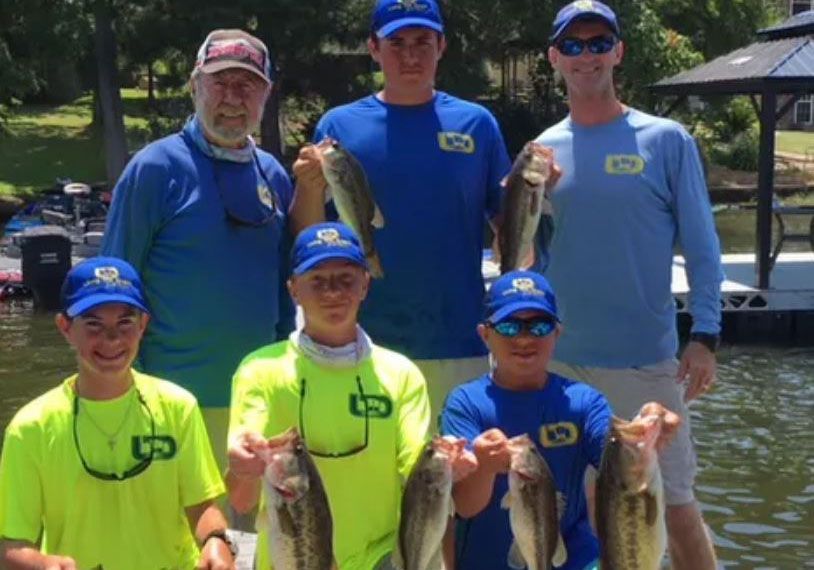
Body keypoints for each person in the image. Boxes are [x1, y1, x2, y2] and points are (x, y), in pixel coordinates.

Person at [535, 2, 722, 568]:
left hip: (646, 362)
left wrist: (705, 335)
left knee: (677, 508)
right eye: (573, 45)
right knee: (579, 512)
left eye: (599, 43)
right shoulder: (541, 151)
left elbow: (702, 244)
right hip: (560, 362)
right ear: (554, 58)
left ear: (618, 52)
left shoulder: (666, 140)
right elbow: (525, 257)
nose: (586, 55)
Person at [290, 0, 512, 415]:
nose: (410, 55)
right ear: (374, 48)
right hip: (358, 341)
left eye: (422, 42)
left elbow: (509, 224)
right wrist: (306, 185)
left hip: (457, 339)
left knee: (457, 456)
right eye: (397, 43)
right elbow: (309, 235)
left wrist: (537, 193)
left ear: (441, 46)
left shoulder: (477, 124)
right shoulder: (338, 126)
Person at [102, 29, 305, 467]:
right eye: (220, 82)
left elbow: (284, 293)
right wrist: (117, 388)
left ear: (266, 94)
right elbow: (113, 288)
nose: (233, 97)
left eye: (247, 84)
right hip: (168, 402)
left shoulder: (274, 174)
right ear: (194, 86)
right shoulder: (154, 168)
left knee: (253, 516)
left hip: (259, 405)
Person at [226, 222, 475, 570]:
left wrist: (447, 463)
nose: (333, 292)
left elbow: (416, 468)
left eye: (346, 279)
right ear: (293, 289)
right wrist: (244, 467)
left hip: (380, 559)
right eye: (318, 280)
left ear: (365, 285)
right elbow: (241, 499)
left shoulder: (401, 374)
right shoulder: (259, 370)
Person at [0, 257, 234, 570]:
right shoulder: (30, 428)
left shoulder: (179, 407)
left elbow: (202, 506)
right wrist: (43, 564)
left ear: (143, 325)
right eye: (93, 324)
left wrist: (216, 541)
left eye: (125, 322)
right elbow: (12, 547)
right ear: (65, 328)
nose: (111, 339)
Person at [441, 270, 680, 570]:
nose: (524, 338)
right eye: (509, 326)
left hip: (575, 560)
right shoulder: (465, 404)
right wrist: (485, 468)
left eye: (539, 326)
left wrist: (648, 431)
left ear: (557, 333)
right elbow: (465, 506)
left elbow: (616, 460)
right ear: (485, 334)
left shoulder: (584, 402)